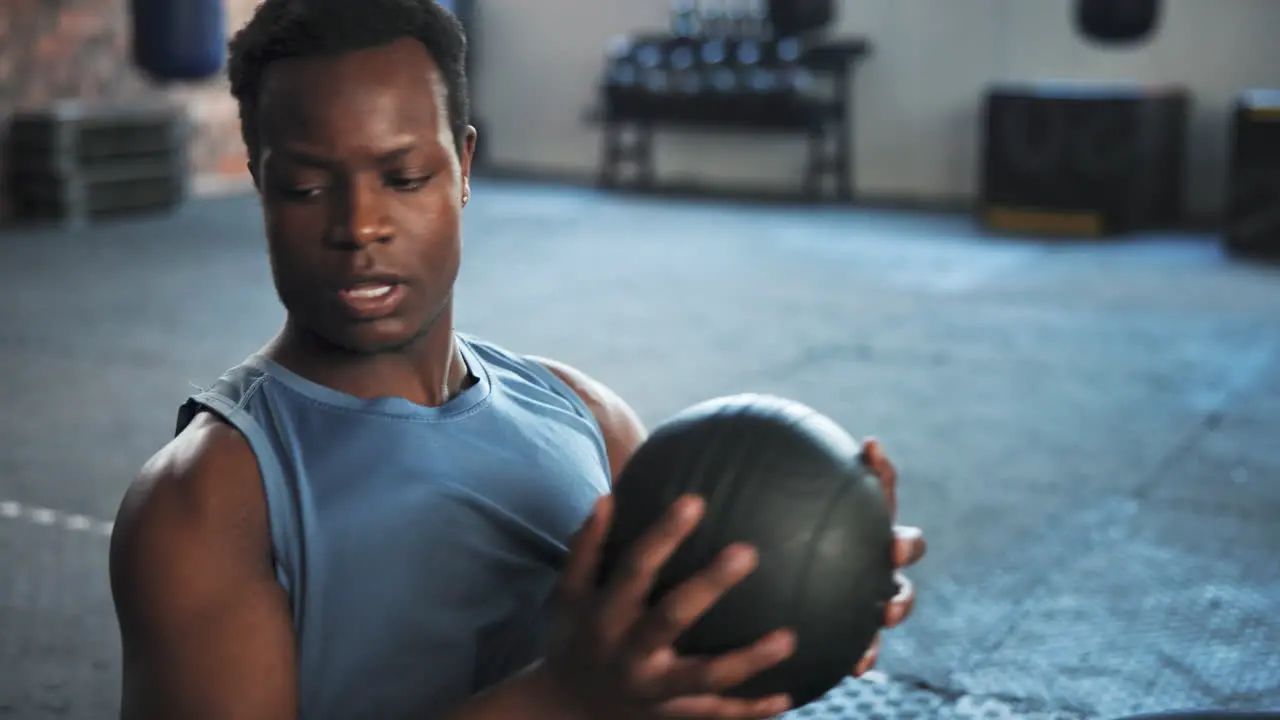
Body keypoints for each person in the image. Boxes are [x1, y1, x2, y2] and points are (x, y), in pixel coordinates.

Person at [107, 1, 928, 718]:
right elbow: (595, 698)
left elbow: (666, 679)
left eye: (403, 176)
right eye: (308, 188)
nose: (359, 227)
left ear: (462, 168)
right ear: (260, 185)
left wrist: (796, 618)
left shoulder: (588, 418)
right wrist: (565, 701)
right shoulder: (205, 504)